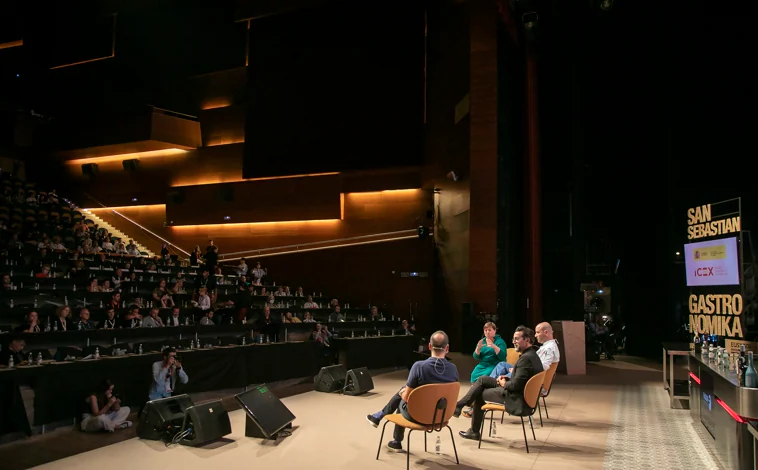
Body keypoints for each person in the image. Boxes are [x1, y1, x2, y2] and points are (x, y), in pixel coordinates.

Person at [366, 331, 459, 452]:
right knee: (406, 391)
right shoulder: (453, 369)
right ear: (447, 348)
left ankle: (394, 438)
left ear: (429, 346)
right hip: (442, 416)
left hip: (418, 416)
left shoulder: (419, 366)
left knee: (402, 396)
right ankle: (380, 418)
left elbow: (405, 398)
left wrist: (402, 393)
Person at [455, 326, 543, 441]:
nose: (514, 342)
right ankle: (459, 405)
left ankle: (473, 430)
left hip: (516, 398)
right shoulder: (532, 355)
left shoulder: (526, 359)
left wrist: (503, 383)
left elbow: (515, 386)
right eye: (513, 339)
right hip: (519, 392)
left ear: (527, 340)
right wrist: (506, 379)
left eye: (516, 339)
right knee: (483, 379)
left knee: (479, 393)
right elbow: (520, 380)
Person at [489, 321, 560, 378]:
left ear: (546, 333)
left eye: (538, 332)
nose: (535, 335)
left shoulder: (549, 348)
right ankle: (490, 382)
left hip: (529, 376)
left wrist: (517, 370)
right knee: (502, 365)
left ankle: (490, 384)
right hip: (526, 370)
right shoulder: (549, 346)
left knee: (500, 378)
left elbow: (542, 368)